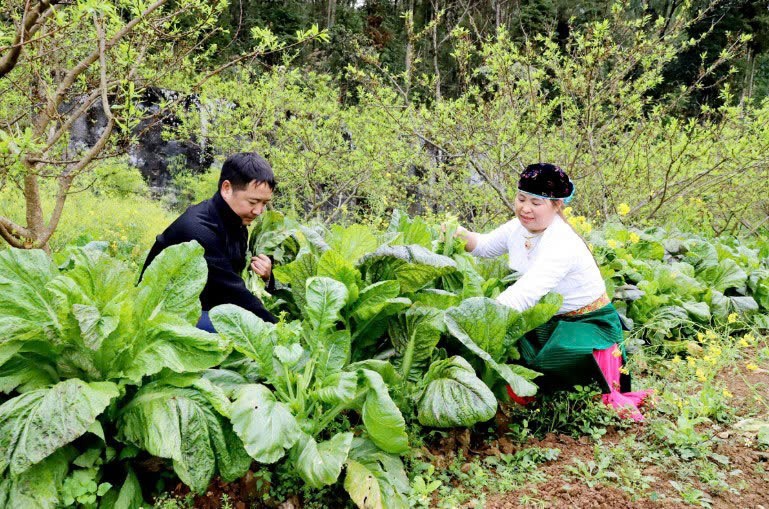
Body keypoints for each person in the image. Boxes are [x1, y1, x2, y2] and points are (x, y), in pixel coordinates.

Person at [454, 162, 650, 420]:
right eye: (521, 198)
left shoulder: (561, 243)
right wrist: (457, 234)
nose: (525, 208)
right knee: (513, 354)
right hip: (548, 319)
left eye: (536, 203)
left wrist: (479, 321)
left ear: (557, 205)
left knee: (536, 363)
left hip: (588, 326)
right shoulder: (518, 227)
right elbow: (484, 245)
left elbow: (525, 292)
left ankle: (540, 408)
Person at [141, 152, 278, 330]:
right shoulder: (199, 230)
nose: (259, 211)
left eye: (264, 203)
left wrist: (267, 277)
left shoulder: (235, 221)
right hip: (160, 313)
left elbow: (235, 277)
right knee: (240, 329)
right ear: (227, 188)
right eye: (253, 202)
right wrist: (278, 331)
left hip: (199, 304)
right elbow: (234, 294)